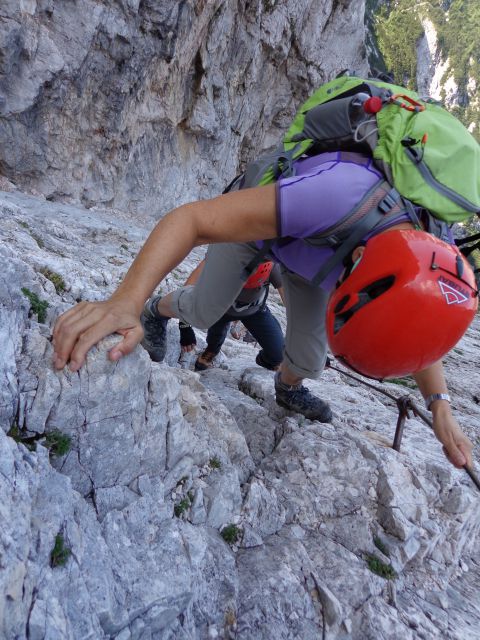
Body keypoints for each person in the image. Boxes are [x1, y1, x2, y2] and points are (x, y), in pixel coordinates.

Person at [52, 150, 476, 470]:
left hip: (315, 257)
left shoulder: (430, 256)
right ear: (361, 257)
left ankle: (287, 388)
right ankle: (157, 310)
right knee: (204, 309)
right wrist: (123, 301)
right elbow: (192, 220)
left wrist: (439, 403)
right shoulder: (334, 196)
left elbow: (415, 317)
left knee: (311, 359)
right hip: (267, 233)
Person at [163, 259, 285, 371]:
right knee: (216, 335)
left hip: (254, 311)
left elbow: (290, 303)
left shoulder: (272, 265)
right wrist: (184, 326)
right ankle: (212, 350)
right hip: (221, 309)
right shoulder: (223, 255)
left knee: (279, 354)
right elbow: (186, 291)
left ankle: (267, 359)